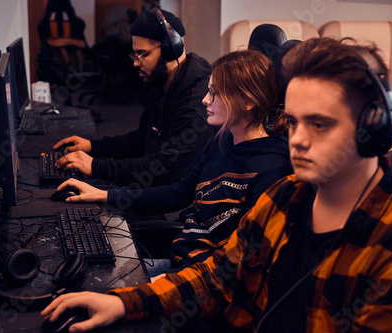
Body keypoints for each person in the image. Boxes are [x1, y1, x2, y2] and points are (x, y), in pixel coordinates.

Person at [41, 38, 392, 332]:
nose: (298, 139)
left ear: (374, 128)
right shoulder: (286, 198)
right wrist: (126, 302)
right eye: (293, 121)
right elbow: (218, 276)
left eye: (319, 124)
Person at [53, 50, 292, 277]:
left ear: (247, 102)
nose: (205, 100)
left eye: (215, 93)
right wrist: (105, 195)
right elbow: (176, 194)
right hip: (180, 265)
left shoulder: (271, 170)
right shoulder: (225, 139)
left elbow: (239, 267)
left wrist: (164, 287)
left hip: (201, 283)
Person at [52, 8, 214, 188]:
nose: (135, 63)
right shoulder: (160, 82)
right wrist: (93, 146)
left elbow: (164, 170)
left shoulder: (197, 102)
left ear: (170, 49)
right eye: (134, 54)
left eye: (143, 54)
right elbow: (141, 140)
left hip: (175, 201)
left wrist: (95, 166)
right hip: (154, 187)